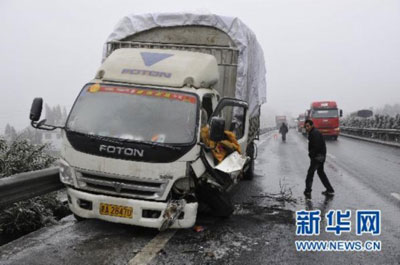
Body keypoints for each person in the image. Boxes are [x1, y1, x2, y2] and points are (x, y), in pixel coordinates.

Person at [304, 119, 335, 196]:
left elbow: (316, 146)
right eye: (306, 126)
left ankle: (308, 190)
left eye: (308, 126)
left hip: (318, 157)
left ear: (312, 125)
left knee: (310, 173)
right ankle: (329, 189)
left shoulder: (314, 133)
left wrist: (311, 154)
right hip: (320, 156)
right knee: (320, 172)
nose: (306, 128)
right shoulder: (313, 132)